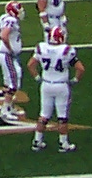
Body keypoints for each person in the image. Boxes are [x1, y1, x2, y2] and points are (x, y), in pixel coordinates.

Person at [32, 23, 79, 152]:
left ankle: (37, 140)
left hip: (46, 84)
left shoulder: (42, 47)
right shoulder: (66, 50)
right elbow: (80, 68)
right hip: (61, 86)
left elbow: (31, 64)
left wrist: (37, 77)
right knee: (62, 117)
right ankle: (63, 143)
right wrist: (75, 79)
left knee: (44, 115)